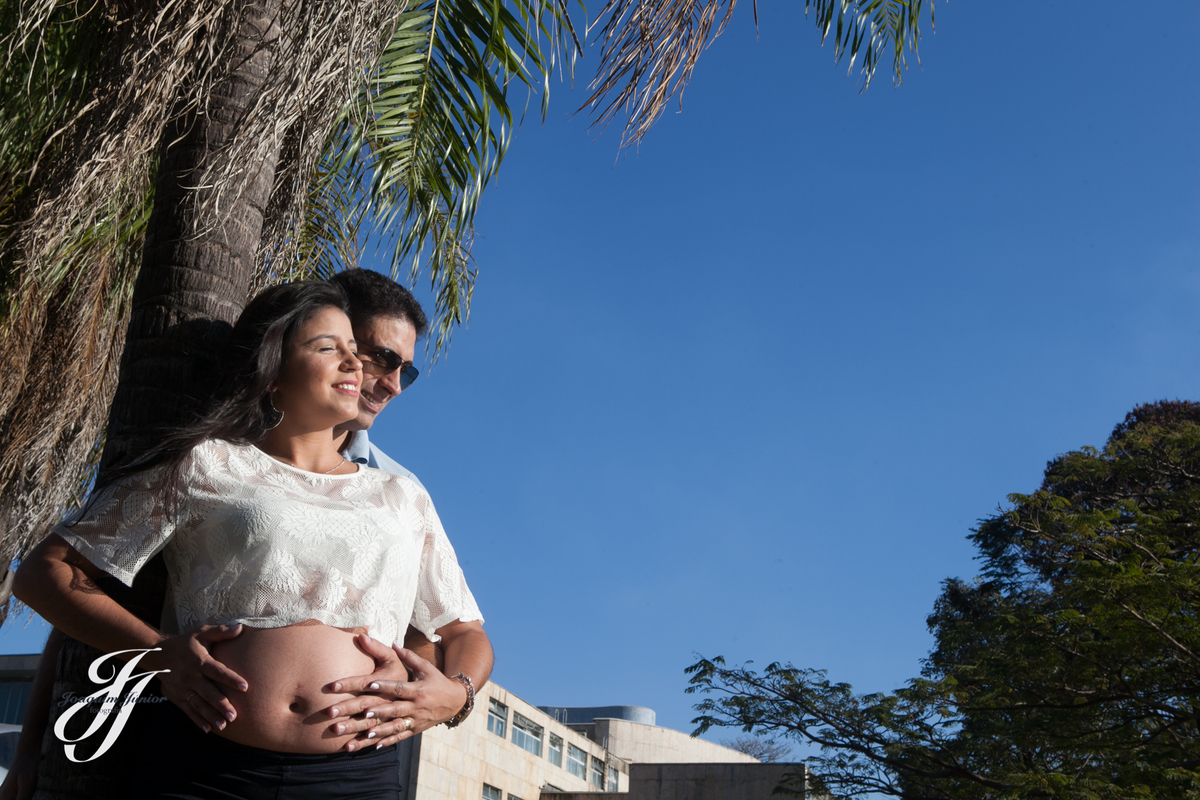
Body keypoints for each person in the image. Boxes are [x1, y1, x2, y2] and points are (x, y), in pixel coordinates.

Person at [12, 280, 491, 798]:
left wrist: (456, 697)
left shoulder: (402, 495)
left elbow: (462, 631)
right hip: (200, 765)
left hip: (354, 774)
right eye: (336, 348)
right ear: (272, 370)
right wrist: (157, 653)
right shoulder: (209, 463)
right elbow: (48, 575)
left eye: (362, 354)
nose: (369, 372)